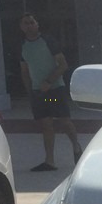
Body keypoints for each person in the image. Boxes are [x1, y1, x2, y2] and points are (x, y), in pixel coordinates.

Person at [19, 13, 82, 171]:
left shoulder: (48, 41)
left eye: (32, 22)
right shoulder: (22, 46)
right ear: (21, 27)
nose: (29, 25)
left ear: (37, 24)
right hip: (38, 93)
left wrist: (49, 81)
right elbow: (24, 71)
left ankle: (76, 147)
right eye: (26, 23)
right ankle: (49, 161)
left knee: (63, 121)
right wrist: (30, 92)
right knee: (46, 124)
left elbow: (63, 65)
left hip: (54, 91)